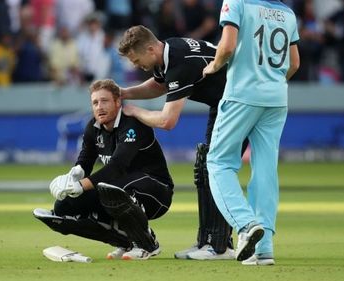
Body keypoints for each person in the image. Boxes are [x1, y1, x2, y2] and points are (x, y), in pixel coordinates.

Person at [118, 25, 248, 260]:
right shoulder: (169, 48)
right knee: (206, 165)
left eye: (137, 60)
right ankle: (208, 241)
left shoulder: (180, 63)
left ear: (149, 48)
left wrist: (135, 111)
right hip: (225, 104)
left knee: (215, 168)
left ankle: (219, 246)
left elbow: (168, 121)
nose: (137, 66)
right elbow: (160, 85)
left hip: (238, 105)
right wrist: (125, 92)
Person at [202, 0, 300, 266]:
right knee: (266, 169)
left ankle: (246, 225)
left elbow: (228, 45)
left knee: (218, 162)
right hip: (277, 98)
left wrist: (213, 66)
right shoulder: (286, 12)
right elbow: (294, 63)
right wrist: (271, 82)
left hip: (242, 94)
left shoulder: (236, 2)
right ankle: (264, 248)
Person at [33, 79, 174, 260]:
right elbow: (85, 160)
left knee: (111, 190)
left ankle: (146, 244)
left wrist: (82, 185)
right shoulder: (93, 127)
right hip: (118, 189)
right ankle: (124, 241)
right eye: (95, 103)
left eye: (105, 101)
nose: (99, 107)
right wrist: (74, 175)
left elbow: (117, 166)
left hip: (157, 192)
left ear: (117, 102)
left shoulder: (132, 125)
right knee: (64, 206)